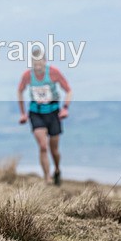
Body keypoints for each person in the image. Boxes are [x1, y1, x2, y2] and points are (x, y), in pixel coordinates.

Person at [17, 46, 72, 186]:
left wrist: (65, 108)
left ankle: (57, 170)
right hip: (36, 113)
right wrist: (23, 113)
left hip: (53, 113)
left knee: (54, 150)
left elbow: (68, 90)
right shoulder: (27, 76)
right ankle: (47, 178)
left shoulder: (53, 73)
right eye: (35, 64)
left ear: (45, 61)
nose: (38, 67)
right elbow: (20, 91)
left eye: (40, 64)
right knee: (43, 146)